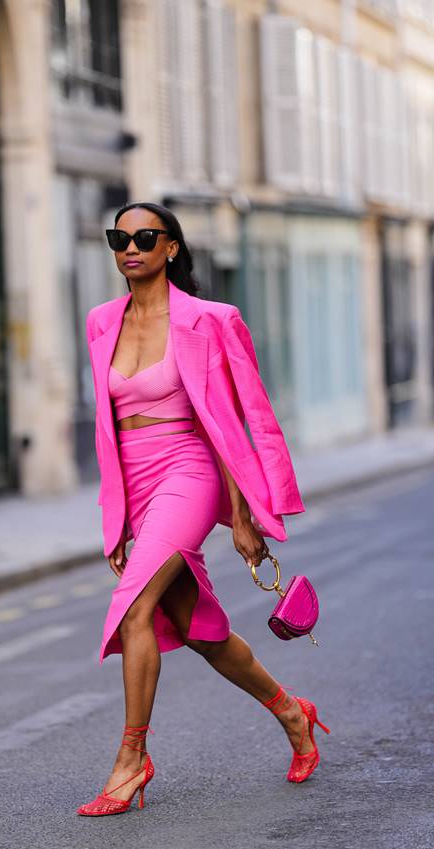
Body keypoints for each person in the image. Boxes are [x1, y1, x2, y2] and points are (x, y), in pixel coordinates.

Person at [77, 201, 329, 817]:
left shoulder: (212, 320)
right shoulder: (100, 322)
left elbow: (234, 420)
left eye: (144, 237)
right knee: (197, 631)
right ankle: (293, 713)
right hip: (137, 483)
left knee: (135, 608)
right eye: (119, 237)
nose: (130, 247)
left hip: (189, 469)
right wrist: (116, 518)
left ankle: (132, 759)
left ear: (171, 248)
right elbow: (108, 430)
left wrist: (243, 514)